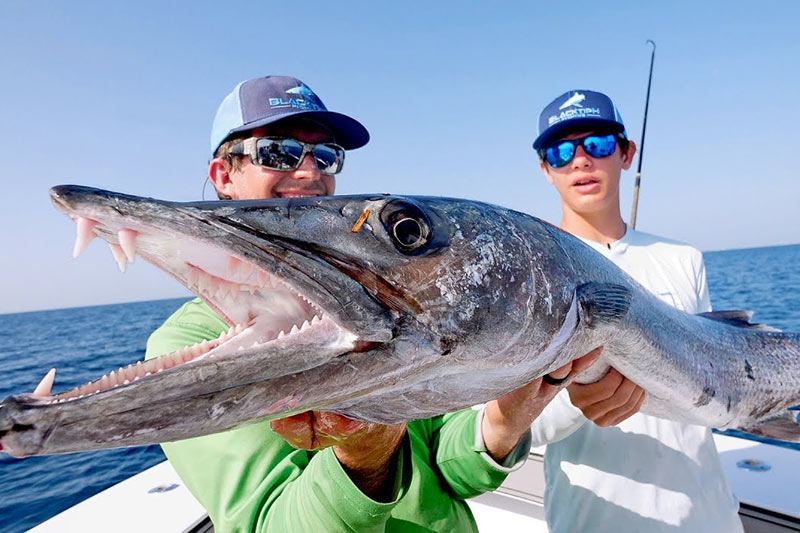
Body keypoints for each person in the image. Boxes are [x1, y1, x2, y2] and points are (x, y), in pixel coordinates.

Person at [144, 75, 600, 532]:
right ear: (224, 175)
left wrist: (506, 419)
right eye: (277, 152)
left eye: (325, 156)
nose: (309, 172)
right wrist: (364, 458)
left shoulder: (380, 301)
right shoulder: (188, 342)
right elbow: (270, 523)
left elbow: (448, 469)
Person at [530, 89, 744, 532]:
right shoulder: (535, 274)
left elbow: (717, 380)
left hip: (709, 519)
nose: (581, 161)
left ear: (626, 154)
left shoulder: (684, 257)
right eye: (562, 150)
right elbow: (513, 431)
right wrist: (575, 400)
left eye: (599, 144)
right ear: (546, 168)